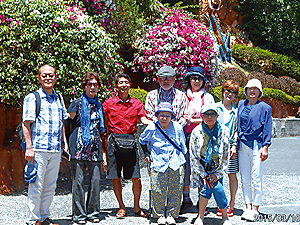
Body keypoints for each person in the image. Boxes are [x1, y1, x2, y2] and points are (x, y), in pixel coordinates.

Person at [22, 65, 68, 225]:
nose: (48, 78)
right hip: (38, 150)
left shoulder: (59, 98)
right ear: (39, 78)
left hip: (55, 149)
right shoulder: (33, 98)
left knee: (50, 186)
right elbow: (26, 123)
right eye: (44, 75)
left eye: (51, 75)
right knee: (36, 186)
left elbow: (62, 122)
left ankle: (44, 217)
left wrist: (64, 144)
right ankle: (33, 220)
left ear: (55, 77)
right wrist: (29, 147)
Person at [103, 73, 151, 219]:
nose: (123, 85)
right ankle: (121, 207)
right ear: (116, 86)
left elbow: (143, 119)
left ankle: (136, 207)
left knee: (136, 177)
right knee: (116, 177)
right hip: (114, 141)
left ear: (130, 85)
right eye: (120, 82)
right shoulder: (108, 103)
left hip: (130, 140)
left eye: (126, 82)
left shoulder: (137, 103)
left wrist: (160, 122)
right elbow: (103, 122)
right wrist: (105, 150)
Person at [144, 66, 190, 211]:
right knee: (156, 176)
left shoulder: (181, 96)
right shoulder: (151, 95)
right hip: (157, 140)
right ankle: (156, 209)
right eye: (163, 77)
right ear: (158, 79)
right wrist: (164, 126)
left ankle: (172, 210)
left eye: (169, 77)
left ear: (174, 79)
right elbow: (150, 116)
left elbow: (185, 117)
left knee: (175, 175)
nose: (166, 80)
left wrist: (172, 127)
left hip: (175, 140)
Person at [139, 102, 187, 225]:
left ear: (172, 116)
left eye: (167, 115)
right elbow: (142, 140)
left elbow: (183, 145)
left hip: (175, 161)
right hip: (158, 161)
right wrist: (146, 154)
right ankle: (159, 214)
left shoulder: (177, 127)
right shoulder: (151, 127)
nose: (164, 118)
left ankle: (172, 214)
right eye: (161, 115)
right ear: (157, 115)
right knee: (157, 189)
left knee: (175, 189)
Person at [67, 72, 105, 224]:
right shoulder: (75, 104)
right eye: (90, 84)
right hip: (78, 143)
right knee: (78, 180)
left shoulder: (99, 105)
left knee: (95, 179)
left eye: (95, 84)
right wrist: (67, 144)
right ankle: (79, 214)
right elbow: (68, 124)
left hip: (95, 145)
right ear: (84, 86)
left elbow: (102, 128)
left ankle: (93, 213)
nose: (93, 87)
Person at [190, 104, 232, 225]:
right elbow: (193, 156)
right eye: (206, 114)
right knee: (206, 188)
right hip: (202, 166)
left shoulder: (224, 130)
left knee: (218, 189)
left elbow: (225, 154)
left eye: (212, 114)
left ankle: (225, 217)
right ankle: (201, 216)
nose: (209, 117)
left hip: (217, 166)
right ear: (202, 116)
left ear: (217, 116)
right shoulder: (196, 131)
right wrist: (203, 174)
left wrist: (218, 174)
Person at [237, 79, 272, 221]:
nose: (252, 91)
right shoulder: (240, 104)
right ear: (245, 90)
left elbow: (267, 128)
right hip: (242, 145)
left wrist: (265, 146)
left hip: (257, 144)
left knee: (256, 178)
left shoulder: (265, 107)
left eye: (255, 89)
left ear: (259, 91)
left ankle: (256, 209)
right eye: (249, 88)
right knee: (245, 178)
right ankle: (248, 207)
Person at [181, 66, 215, 213]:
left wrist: (193, 121)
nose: (196, 81)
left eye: (199, 78)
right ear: (188, 80)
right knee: (186, 168)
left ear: (203, 81)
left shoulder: (208, 98)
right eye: (193, 78)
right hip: (184, 136)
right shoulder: (182, 96)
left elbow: (211, 118)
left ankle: (201, 201)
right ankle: (186, 199)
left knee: (201, 168)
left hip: (202, 138)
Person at [215, 80, 239, 217]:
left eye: (234, 92)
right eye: (228, 90)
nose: (230, 94)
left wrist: (234, 145)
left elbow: (236, 130)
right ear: (223, 91)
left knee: (232, 175)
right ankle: (220, 205)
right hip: (216, 145)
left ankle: (232, 204)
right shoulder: (215, 108)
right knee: (218, 176)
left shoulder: (236, 111)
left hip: (230, 145)